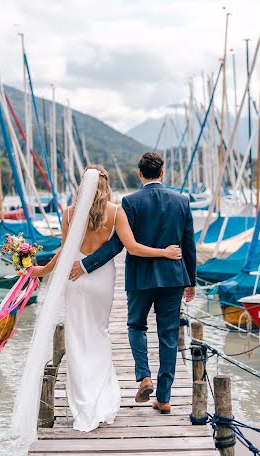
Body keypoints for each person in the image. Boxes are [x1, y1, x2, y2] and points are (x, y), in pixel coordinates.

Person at [27, 164, 181, 433]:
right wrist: (164, 253)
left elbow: (64, 252)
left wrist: (41, 270)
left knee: (76, 339)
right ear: (106, 185)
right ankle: (100, 399)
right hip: (101, 280)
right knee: (99, 333)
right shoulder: (115, 212)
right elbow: (132, 248)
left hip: (74, 279)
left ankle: (83, 406)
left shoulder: (69, 214)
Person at [69, 152, 196, 415]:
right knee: (168, 335)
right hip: (173, 277)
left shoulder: (131, 202)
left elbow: (117, 245)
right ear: (162, 172)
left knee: (136, 326)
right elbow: (188, 245)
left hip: (140, 278)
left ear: (140, 174)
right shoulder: (182, 201)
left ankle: (144, 376)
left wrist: (85, 264)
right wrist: (191, 280)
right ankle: (164, 398)